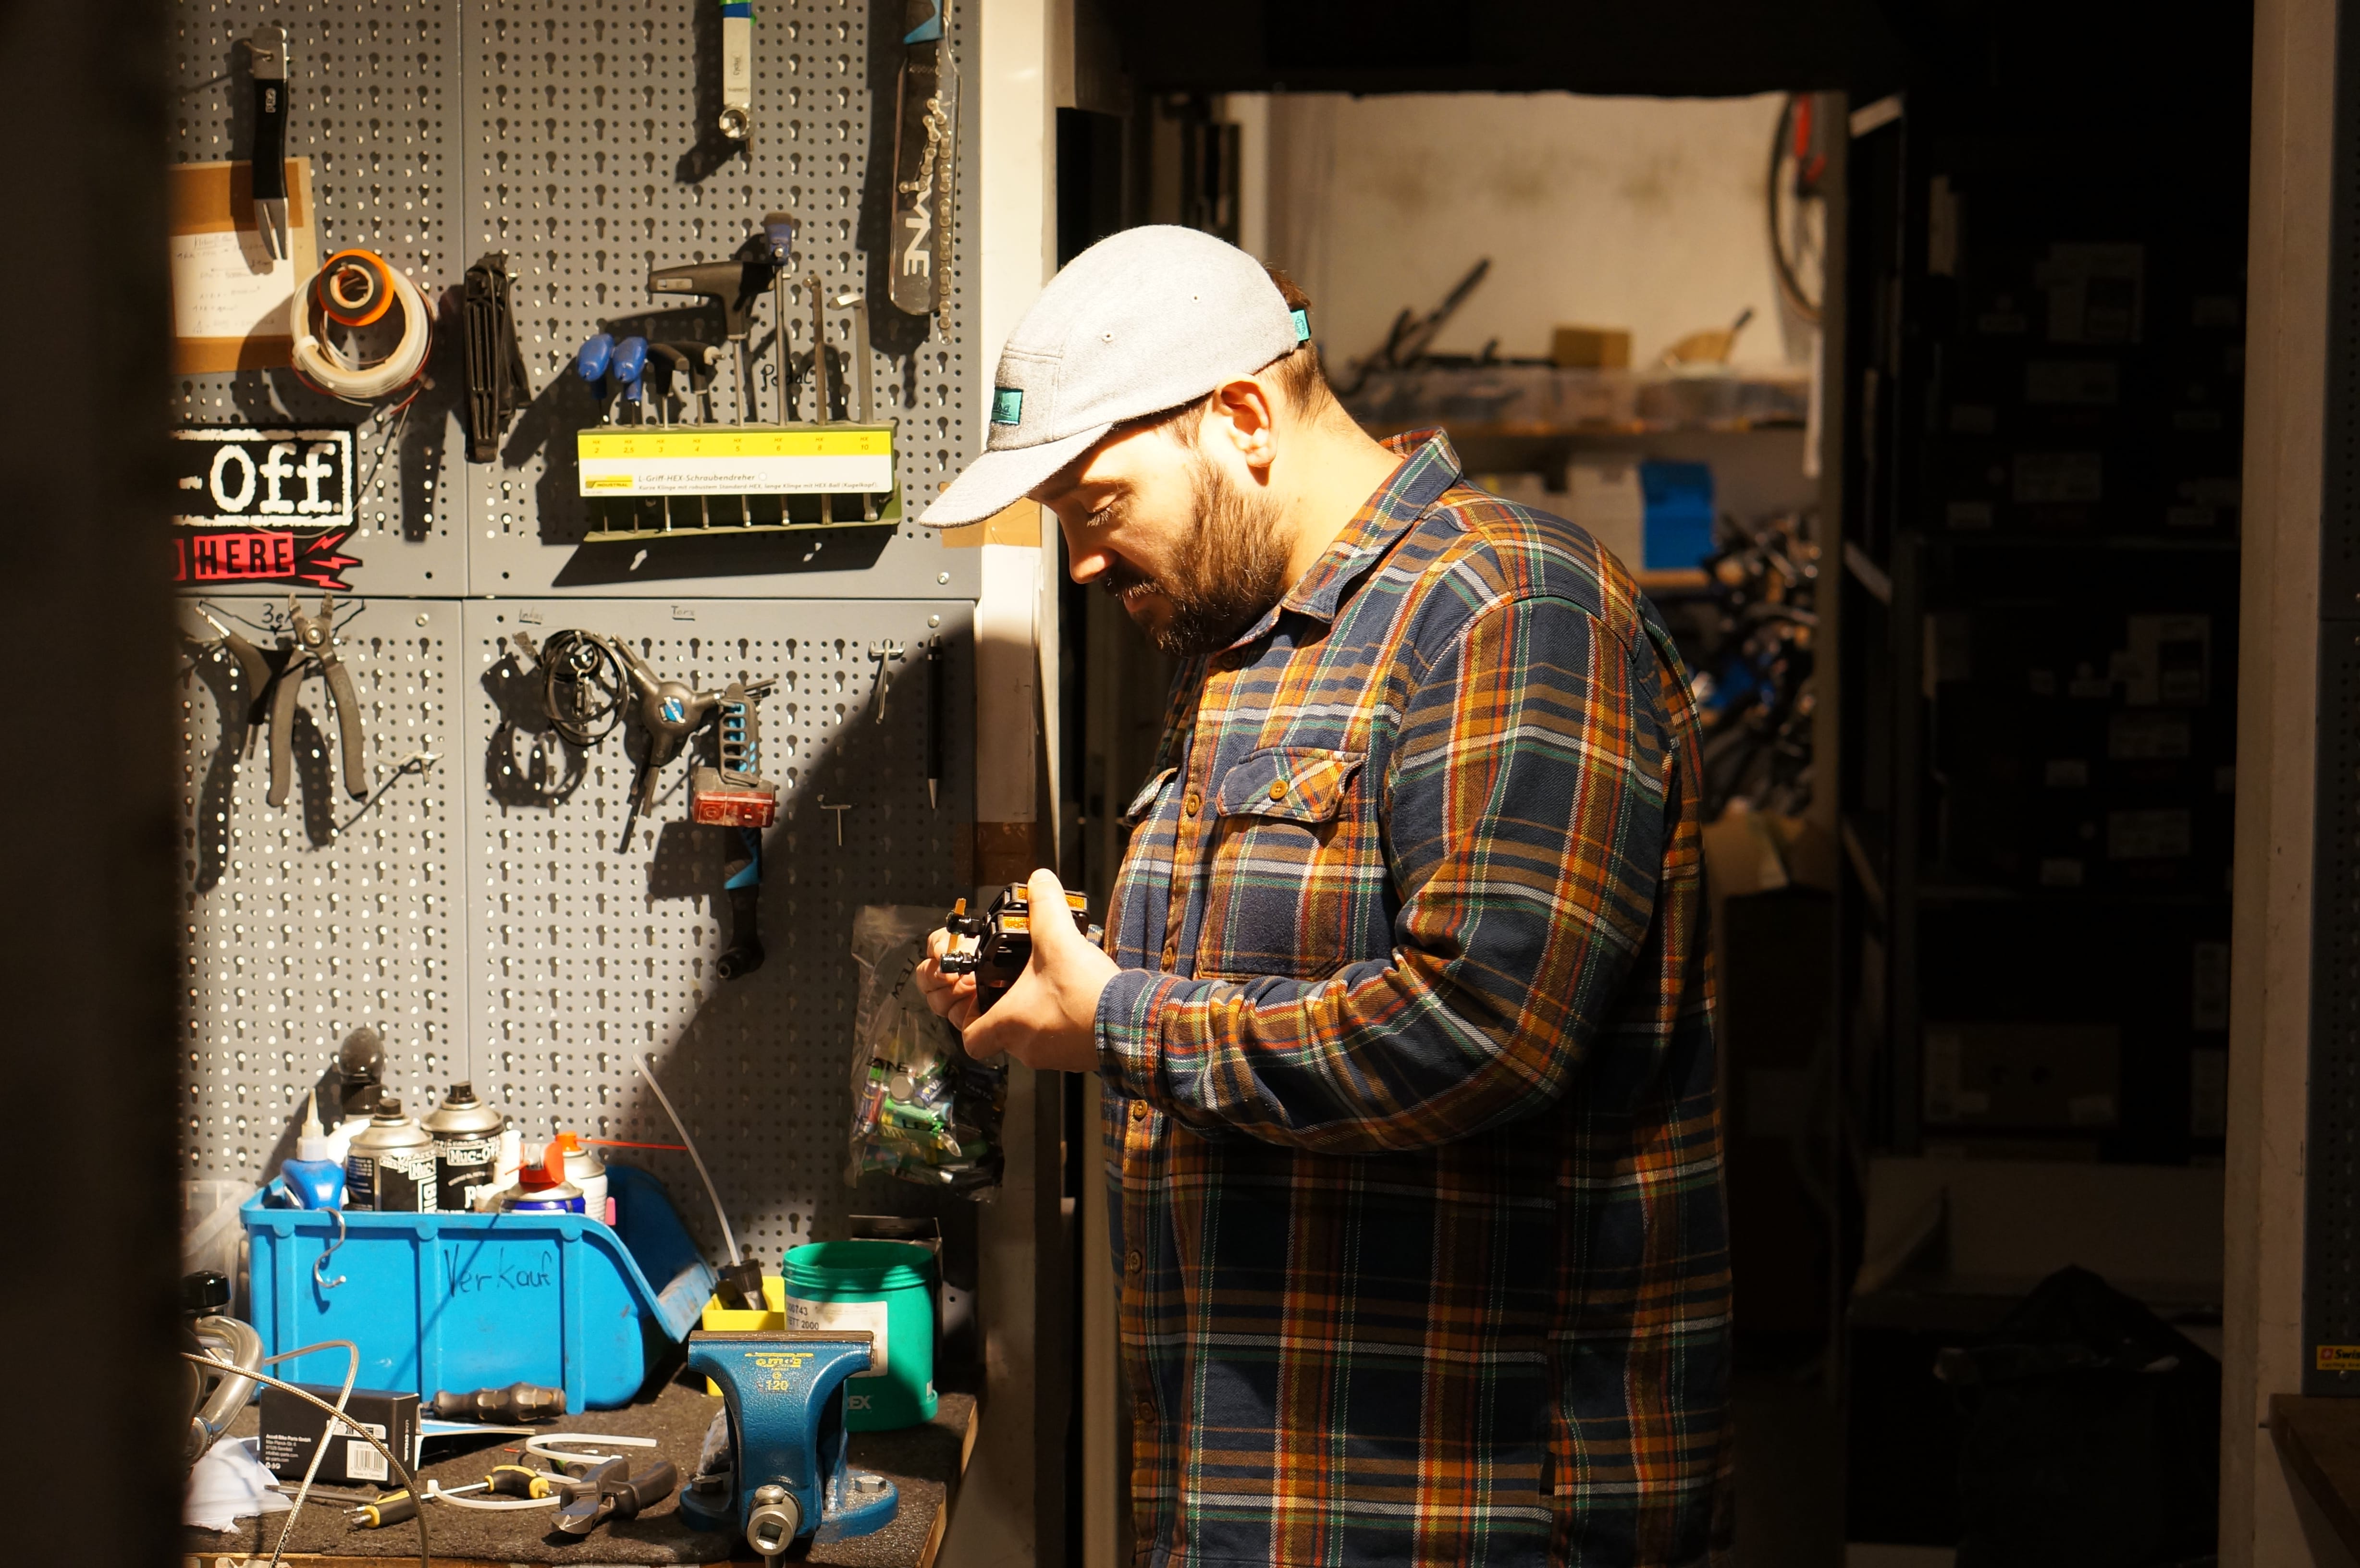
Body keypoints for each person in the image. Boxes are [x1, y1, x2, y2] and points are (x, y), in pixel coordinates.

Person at [914, 226, 1730, 1567]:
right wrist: (1056, 979)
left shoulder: (1512, 613)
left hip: (1466, 1516)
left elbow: (1482, 1027)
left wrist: (1115, 1018)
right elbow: (1291, 970)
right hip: (1253, 1491)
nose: (1081, 565)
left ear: (1241, 418)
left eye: (1097, 504)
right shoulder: (1262, 648)